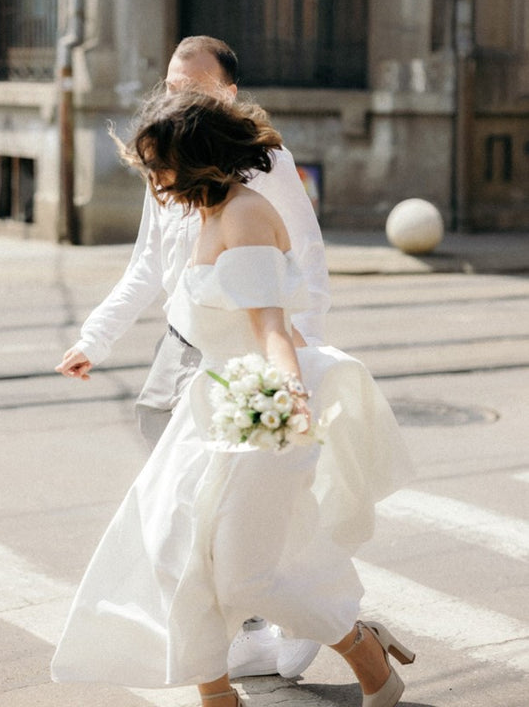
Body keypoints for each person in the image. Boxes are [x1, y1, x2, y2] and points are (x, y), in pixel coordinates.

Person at [51, 90, 415, 707]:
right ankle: (217, 697)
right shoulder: (205, 215)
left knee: (249, 573)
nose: (153, 179)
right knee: (176, 552)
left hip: (261, 412)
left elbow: (272, 327)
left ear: (195, 159)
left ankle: (363, 646)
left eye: (158, 165)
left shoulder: (244, 216)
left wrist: (290, 399)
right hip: (211, 407)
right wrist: (96, 339)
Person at [55, 36, 329, 678]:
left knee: (243, 492)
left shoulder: (262, 164)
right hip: (186, 336)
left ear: (228, 93)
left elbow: (307, 256)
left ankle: (308, 614)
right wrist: (94, 337)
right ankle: (249, 621)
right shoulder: (167, 157)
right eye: (173, 84)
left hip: (248, 342)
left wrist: (299, 349)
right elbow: (147, 263)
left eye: (195, 87)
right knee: (181, 477)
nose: (179, 95)